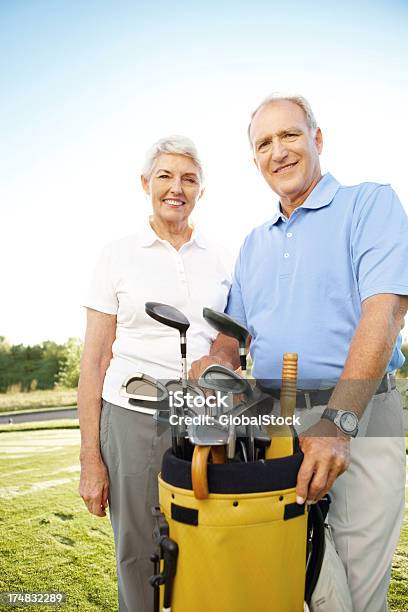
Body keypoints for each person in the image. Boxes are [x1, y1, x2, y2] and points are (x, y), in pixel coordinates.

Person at [190, 93, 408, 612]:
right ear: (255, 159)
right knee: (280, 581)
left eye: (289, 135)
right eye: (263, 143)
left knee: (354, 592)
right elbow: (233, 335)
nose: (278, 151)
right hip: (273, 421)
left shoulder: (370, 203)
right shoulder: (252, 243)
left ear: (317, 139)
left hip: (358, 414)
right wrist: (219, 357)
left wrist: (339, 421)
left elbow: (386, 313)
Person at [78, 135, 231, 611]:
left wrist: (223, 361)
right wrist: (89, 460)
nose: (176, 187)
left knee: (210, 545)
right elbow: (94, 360)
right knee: (139, 554)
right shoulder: (117, 255)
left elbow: (230, 341)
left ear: (201, 191)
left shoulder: (220, 259)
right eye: (165, 176)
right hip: (132, 416)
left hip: (206, 420)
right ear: (146, 183)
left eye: (189, 178)